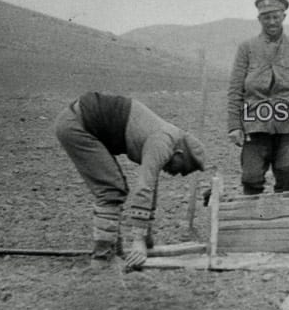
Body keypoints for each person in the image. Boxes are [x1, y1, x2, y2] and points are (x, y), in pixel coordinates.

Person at [55, 93, 208, 271]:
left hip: (79, 122)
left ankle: (115, 252)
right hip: (76, 126)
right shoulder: (163, 142)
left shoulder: (169, 139)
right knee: (111, 190)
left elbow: (151, 186)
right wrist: (138, 241)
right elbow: (144, 188)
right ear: (179, 154)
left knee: (115, 187)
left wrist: (147, 237)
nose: (175, 174)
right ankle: (103, 259)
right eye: (180, 169)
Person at [226, 0, 289, 195]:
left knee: (285, 171)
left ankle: (283, 222)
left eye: (276, 17)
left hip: (288, 124)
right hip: (255, 124)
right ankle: (252, 220)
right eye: (266, 18)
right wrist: (234, 126)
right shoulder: (247, 48)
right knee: (251, 177)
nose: (272, 22)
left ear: (283, 17)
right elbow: (235, 89)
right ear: (259, 20)